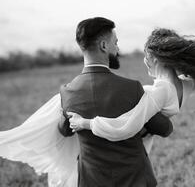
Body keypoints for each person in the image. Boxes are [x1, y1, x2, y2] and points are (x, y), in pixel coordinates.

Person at [0, 17, 173, 187]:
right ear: (104, 46)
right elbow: (164, 129)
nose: (117, 48)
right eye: (115, 42)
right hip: (136, 179)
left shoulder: (67, 93)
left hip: (91, 181)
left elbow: (65, 131)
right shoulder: (132, 88)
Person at [67, 28, 195, 154]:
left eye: (146, 56)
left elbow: (126, 127)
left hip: (124, 150)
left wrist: (85, 123)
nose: (144, 61)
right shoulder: (187, 85)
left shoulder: (161, 91)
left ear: (153, 58)